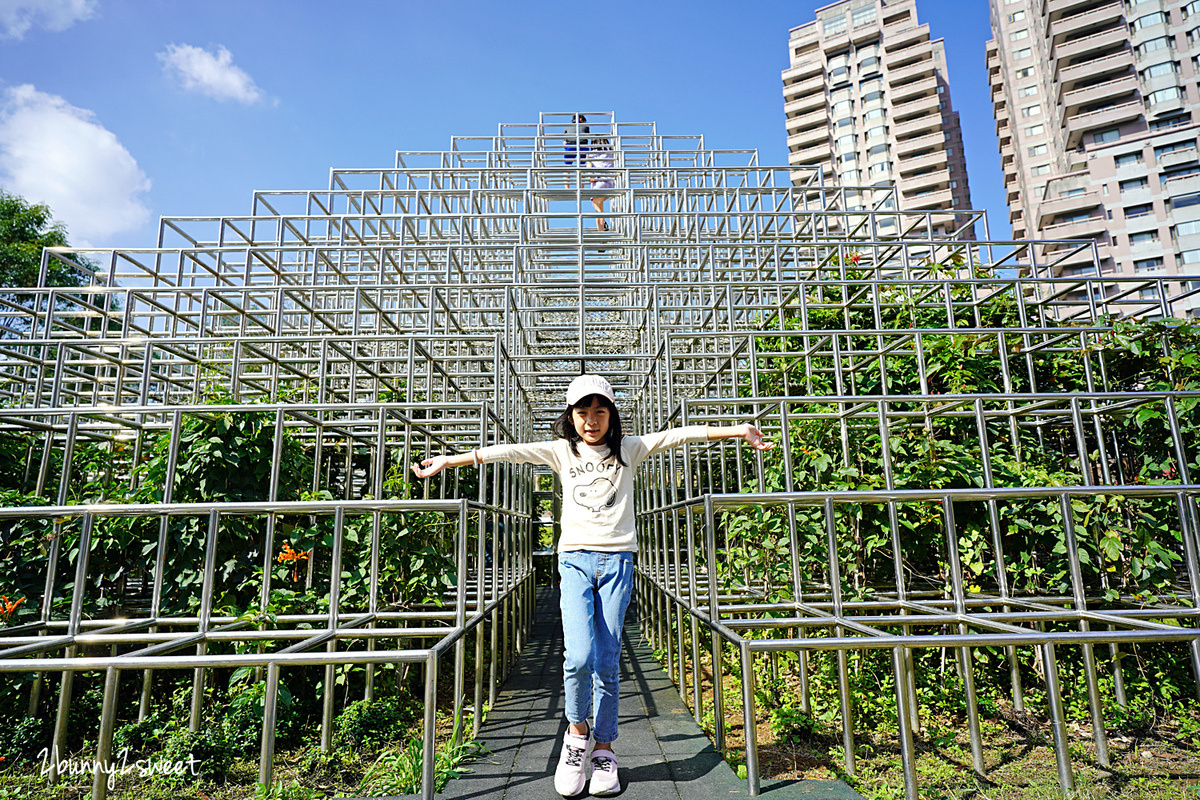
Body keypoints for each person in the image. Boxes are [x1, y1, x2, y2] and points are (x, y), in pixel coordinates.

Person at [412, 374, 775, 797]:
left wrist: (738, 430)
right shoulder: (561, 452)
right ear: (571, 416)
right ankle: (577, 734)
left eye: (599, 411)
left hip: (619, 561)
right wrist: (451, 461)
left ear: (611, 414)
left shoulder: (628, 449)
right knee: (578, 655)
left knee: (606, 658)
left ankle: (604, 749)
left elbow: (678, 436)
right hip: (575, 561)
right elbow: (508, 451)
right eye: (582, 412)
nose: (591, 420)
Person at [587, 137, 616, 231]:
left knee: (596, 207)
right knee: (599, 207)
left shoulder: (591, 153)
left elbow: (589, 167)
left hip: (598, 182)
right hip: (610, 182)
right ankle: (601, 232)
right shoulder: (611, 151)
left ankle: (603, 221)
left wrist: (590, 176)